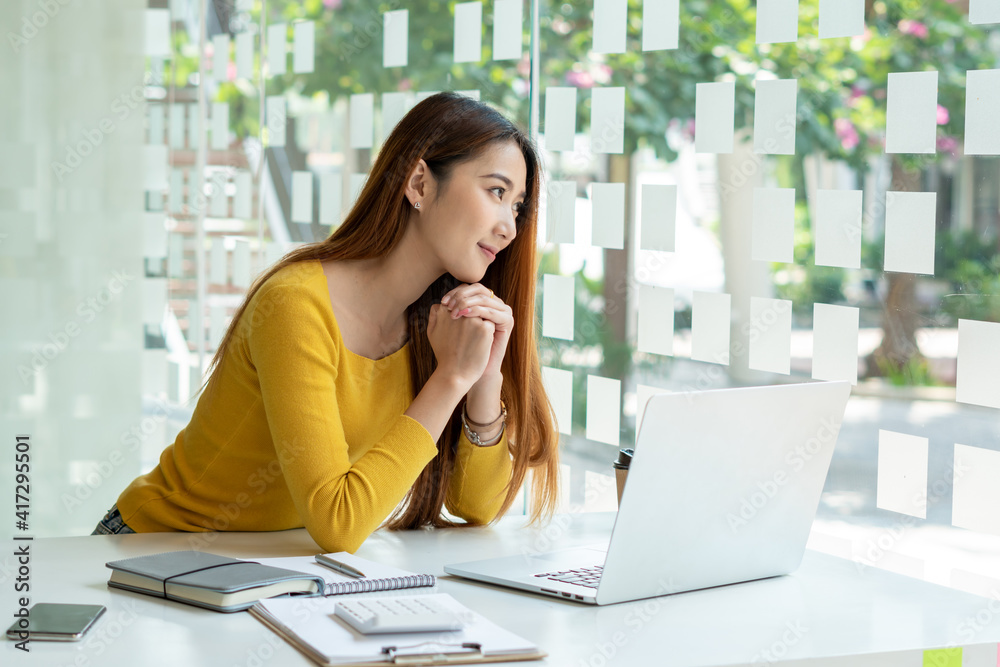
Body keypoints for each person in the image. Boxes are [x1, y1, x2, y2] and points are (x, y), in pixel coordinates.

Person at [93, 92, 560, 553]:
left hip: (273, 568)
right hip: (154, 551)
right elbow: (337, 523)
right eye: (496, 192)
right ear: (419, 183)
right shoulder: (296, 306)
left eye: (517, 206)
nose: (510, 227)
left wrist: (483, 377)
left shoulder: (440, 325)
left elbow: (478, 506)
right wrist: (450, 377)